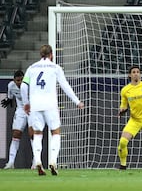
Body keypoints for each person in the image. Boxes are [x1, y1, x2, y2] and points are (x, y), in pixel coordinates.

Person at [20, 44, 84, 176]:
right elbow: (65, 85)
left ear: (40, 54)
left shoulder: (31, 68)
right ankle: (53, 161)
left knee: (37, 134)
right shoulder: (55, 68)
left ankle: (38, 160)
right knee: (55, 132)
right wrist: (77, 101)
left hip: (36, 105)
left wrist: (26, 103)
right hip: (50, 105)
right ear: (51, 55)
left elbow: (23, 87)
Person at [1, 70, 34, 169]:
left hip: (32, 110)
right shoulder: (11, 85)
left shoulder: (30, 84)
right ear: (14, 80)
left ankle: (36, 161)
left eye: (21, 80)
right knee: (16, 134)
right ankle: (11, 162)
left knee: (32, 134)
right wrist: (8, 100)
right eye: (18, 80)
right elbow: (10, 96)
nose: (19, 82)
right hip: (20, 110)